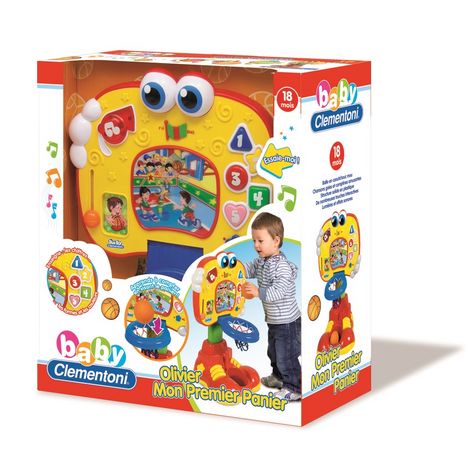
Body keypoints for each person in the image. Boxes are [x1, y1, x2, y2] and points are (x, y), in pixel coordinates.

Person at [243, 212, 301, 401]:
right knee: (274, 352)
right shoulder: (262, 261)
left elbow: (278, 292)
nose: (256, 245)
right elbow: (249, 268)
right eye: (254, 240)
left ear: (276, 241)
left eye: (260, 241)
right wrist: (232, 268)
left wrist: (258, 292)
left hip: (288, 322)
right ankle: (278, 377)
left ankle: (294, 388)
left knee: (286, 356)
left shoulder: (281, 266)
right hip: (274, 321)